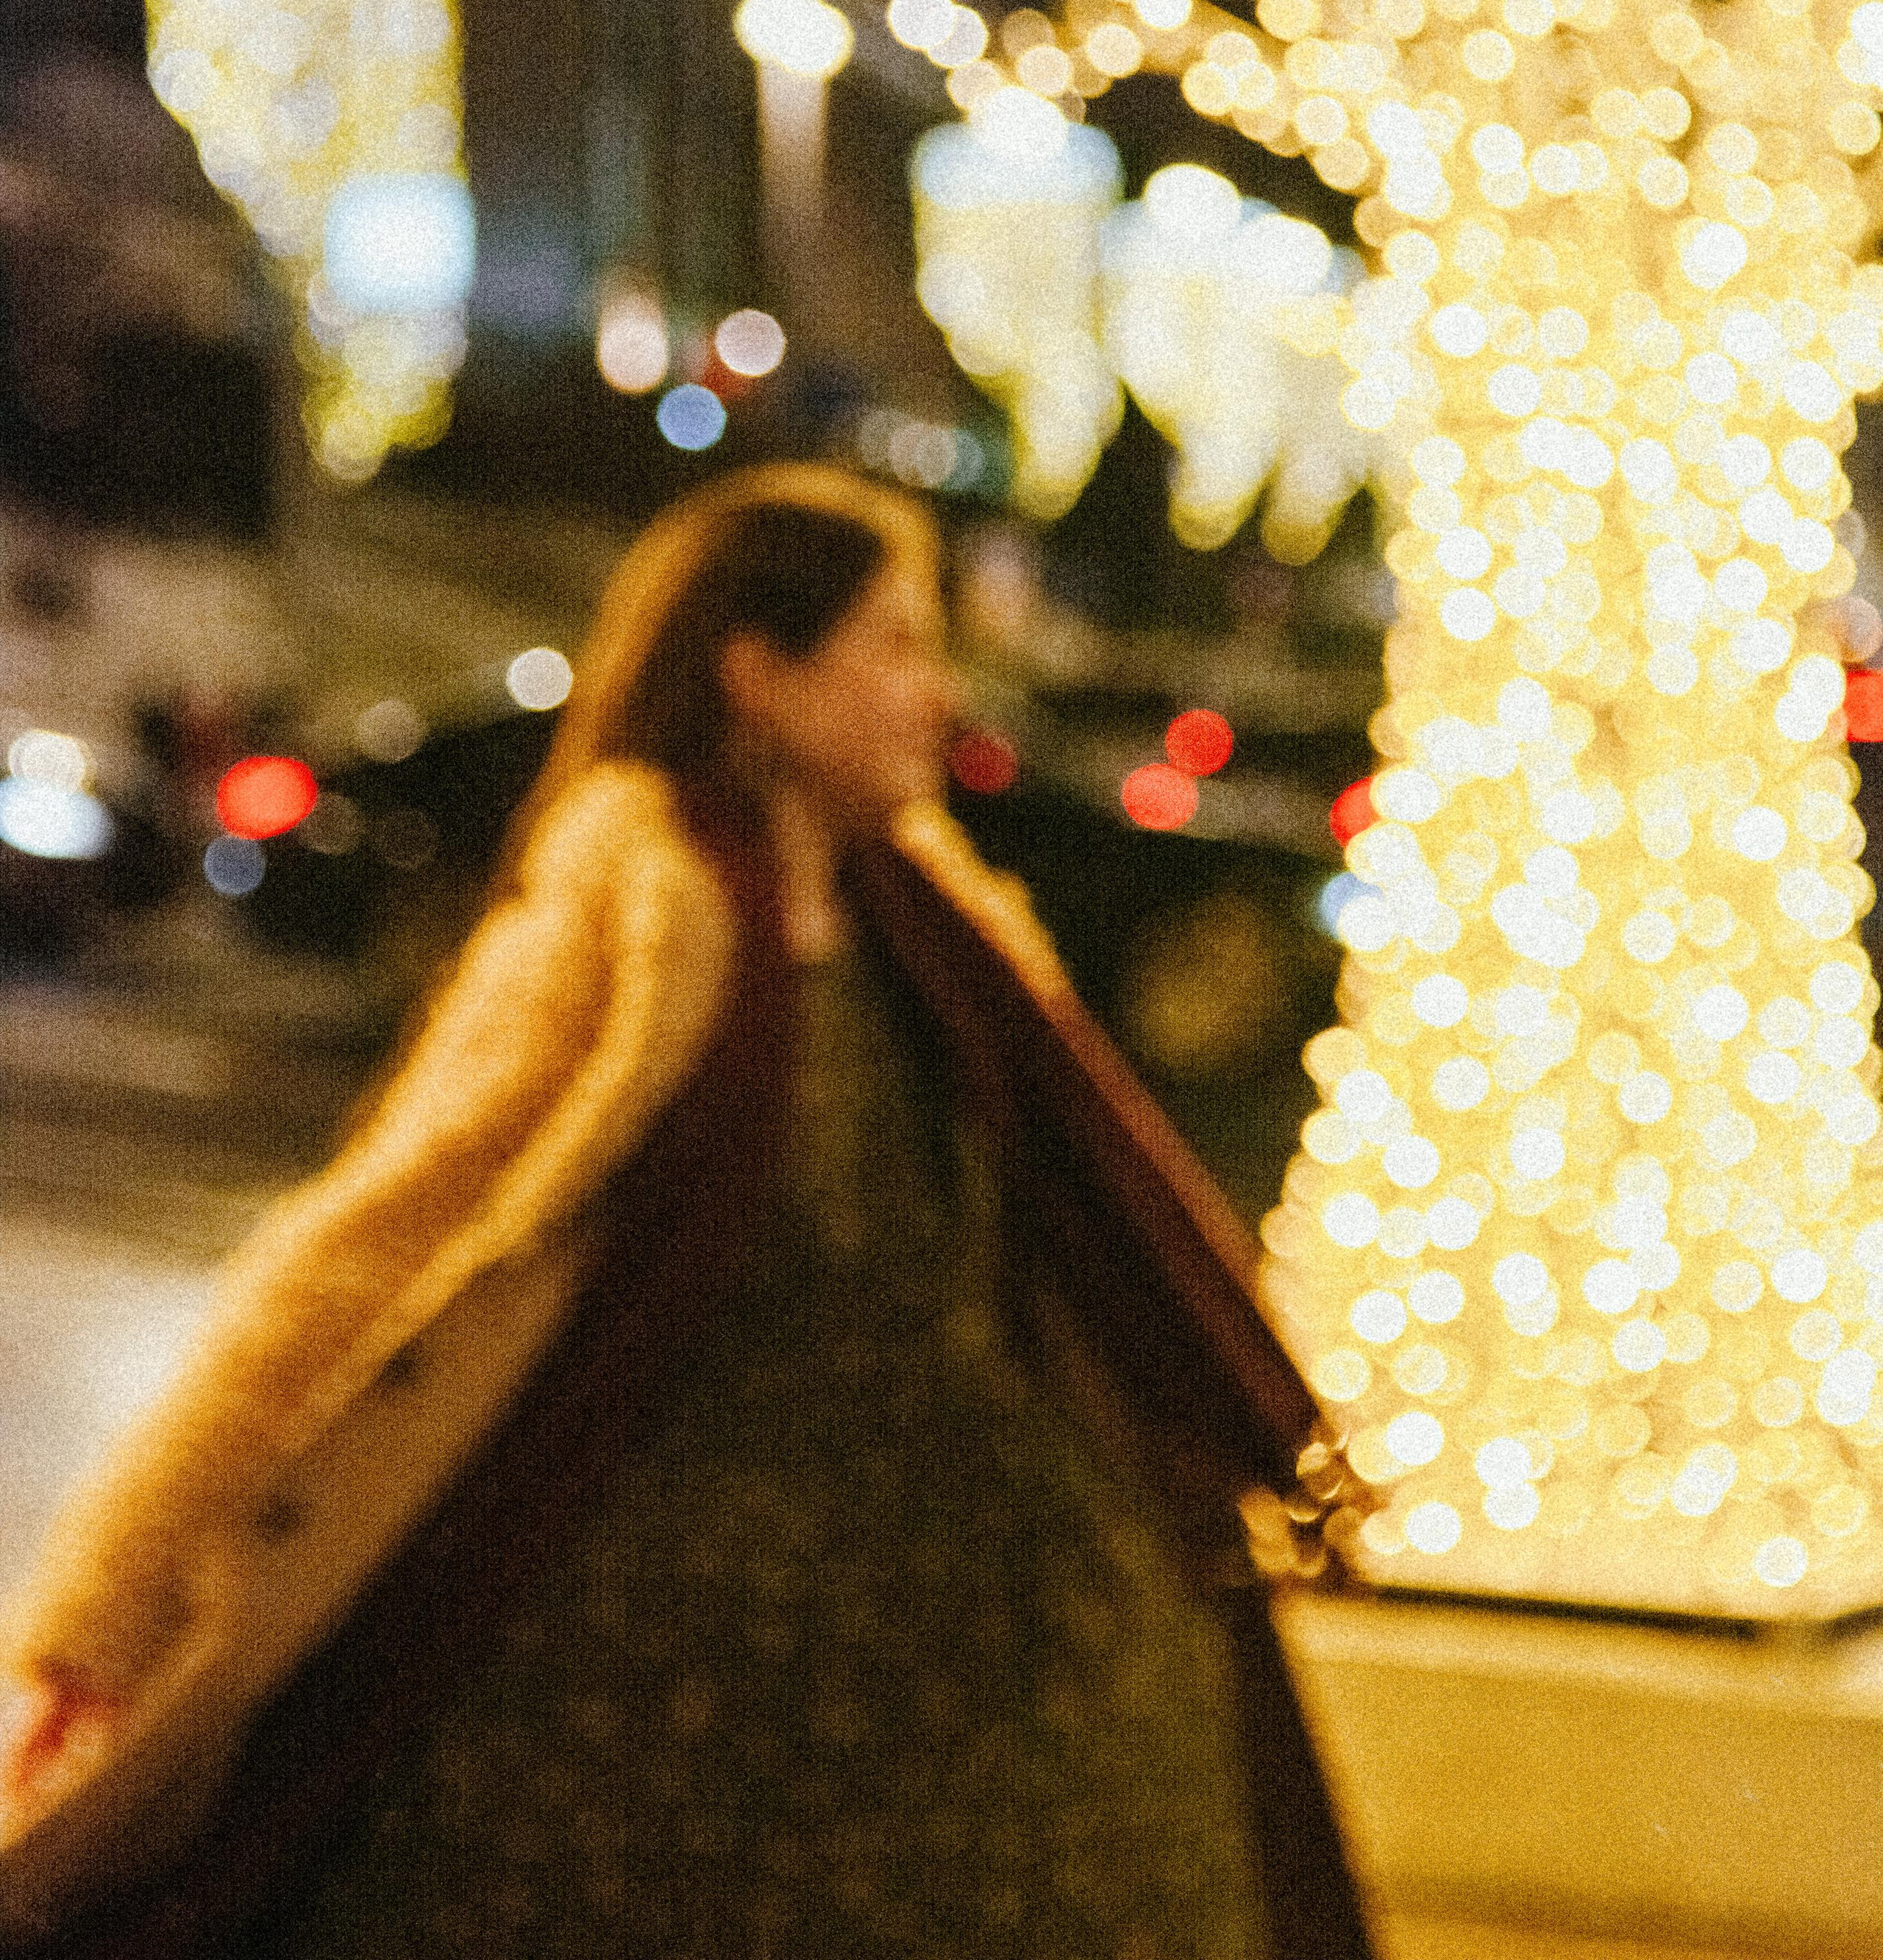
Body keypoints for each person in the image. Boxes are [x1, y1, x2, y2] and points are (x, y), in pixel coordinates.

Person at [0, 463, 1374, 1960]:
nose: (939, 695)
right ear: (759, 676)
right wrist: (118, 1600)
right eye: (896, 646)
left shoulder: (928, 916)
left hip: (947, 1599)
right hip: (664, 1631)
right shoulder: (645, 899)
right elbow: (377, 1239)